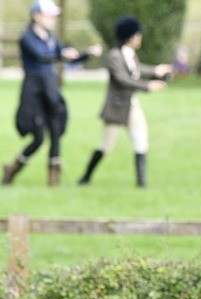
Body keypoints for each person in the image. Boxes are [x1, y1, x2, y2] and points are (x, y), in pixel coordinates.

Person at [3, 1, 100, 187]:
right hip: (34, 92)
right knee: (39, 137)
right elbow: (42, 56)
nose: (52, 19)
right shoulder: (27, 38)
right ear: (36, 16)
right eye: (49, 15)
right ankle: (12, 169)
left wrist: (87, 54)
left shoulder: (52, 39)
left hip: (50, 89)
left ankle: (53, 180)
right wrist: (62, 55)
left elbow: (65, 57)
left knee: (55, 130)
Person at [77, 16, 171, 188]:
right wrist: (148, 86)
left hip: (132, 105)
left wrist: (156, 70)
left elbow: (137, 69)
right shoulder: (114, 56)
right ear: (130, 36)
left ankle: (142, 183)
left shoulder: (131, 56)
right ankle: (86, 177)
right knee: (106, 146)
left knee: (141, 140)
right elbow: (123, 79)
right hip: (117, 107)